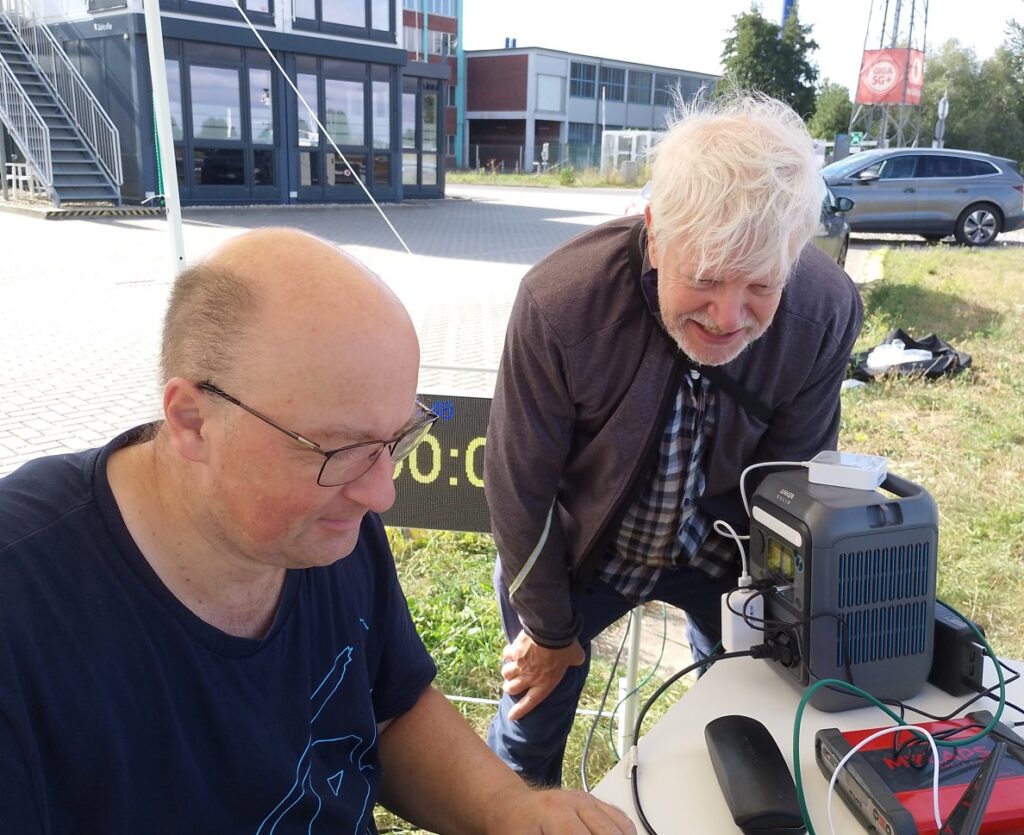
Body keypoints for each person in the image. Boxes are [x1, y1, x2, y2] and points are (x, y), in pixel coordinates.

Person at [0, 228, 636, 834]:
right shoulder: (27, 605)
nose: (381, 491)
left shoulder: (330, 523)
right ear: (192, 420)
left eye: (394, 440)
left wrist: (507, 811)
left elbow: (389, 712)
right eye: (340, 449)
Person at [484, 94, 865, 786]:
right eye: (705, 278)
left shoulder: (826, 309)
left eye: (760, 285)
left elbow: (794, 477)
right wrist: (546, 629)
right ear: (655, 231)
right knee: (529, 721)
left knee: (762, 705)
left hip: (724, 551)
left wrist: (768, 616)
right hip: (581, 551)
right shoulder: (558, 302)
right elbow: (518, 488)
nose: (728, 316)